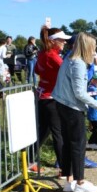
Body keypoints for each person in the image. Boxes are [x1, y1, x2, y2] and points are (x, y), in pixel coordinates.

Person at [52, 32, 97, 192]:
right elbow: (79, 93)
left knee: (69, 144)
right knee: (78, 144)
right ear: (86, 46)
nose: (95, 49)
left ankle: (69, 181)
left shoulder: (69, 59)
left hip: (62, 104)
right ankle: (80, 181)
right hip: (72, 108)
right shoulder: (78, 64)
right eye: (93, 46)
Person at [33, 27, 71, 174]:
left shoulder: (43, 53)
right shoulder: (53, 56)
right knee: (58, 133)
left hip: (42, 97)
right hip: (50, 98)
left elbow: (37, 70)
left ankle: (30, 160)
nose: (64, 42)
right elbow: (67, 73)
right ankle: (64, 168)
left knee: (44, 131)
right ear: (53, 41)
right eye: (61, 40)